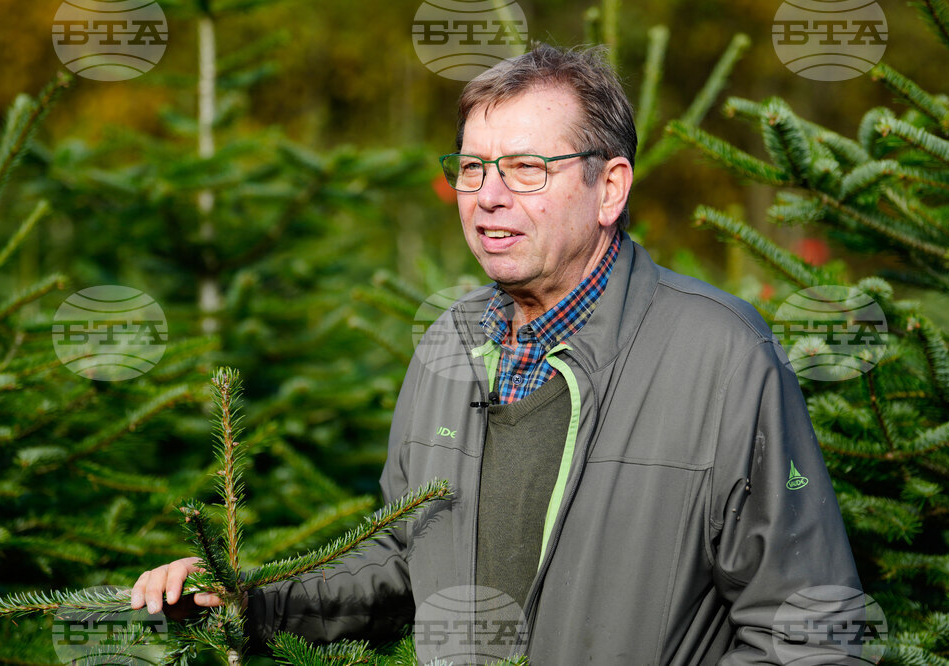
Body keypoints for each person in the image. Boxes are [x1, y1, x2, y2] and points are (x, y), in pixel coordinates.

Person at [131, 44, 864, 664]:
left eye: (525, 169)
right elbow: (399, 566)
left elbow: (808, 631)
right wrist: (248, 598)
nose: (486, 196)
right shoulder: (449, 344)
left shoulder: (722, 354)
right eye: (473, 168)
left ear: (608, 188)